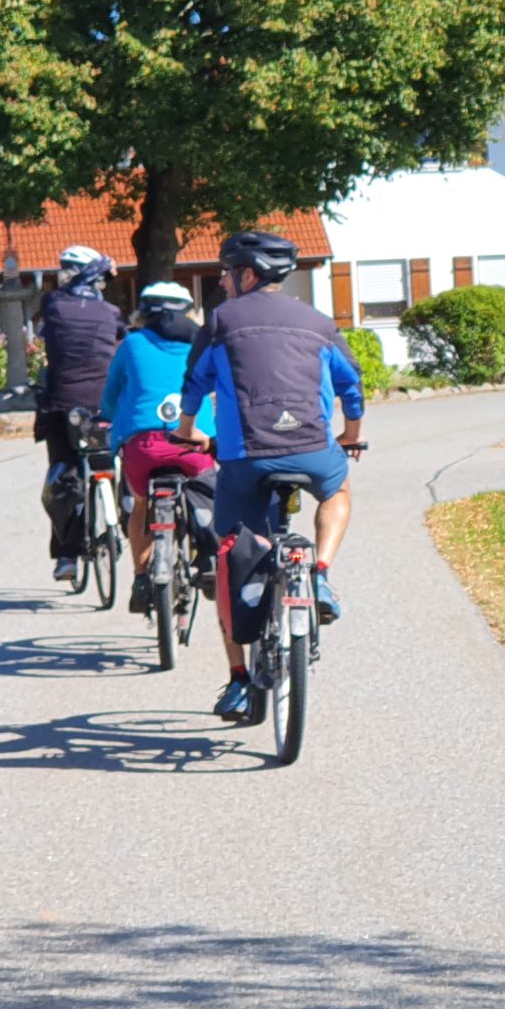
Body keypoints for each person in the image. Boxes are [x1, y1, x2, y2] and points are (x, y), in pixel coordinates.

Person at [177, 231, 365, 726]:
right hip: (313, 449)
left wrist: (186, 430)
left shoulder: (219, 320)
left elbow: (194, 381)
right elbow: (352, 381)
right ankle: (320, 573)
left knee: (229, 554)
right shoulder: (320, 322)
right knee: (337, 490)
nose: (220, 280)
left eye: (225, 271)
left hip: (246, 459)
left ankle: (240, 679)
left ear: (248, 274)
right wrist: (350, 434)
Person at [95, 280, 217, 612]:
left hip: (143, 446)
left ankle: (139, 577)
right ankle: (207, 559)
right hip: (192, 441)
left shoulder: (132, 344)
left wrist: (106, 416)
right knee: (208, 491)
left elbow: (110, 394)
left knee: (138, 505)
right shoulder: (201, 344)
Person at [35, 244, 125, 587]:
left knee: (65, 471)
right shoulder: (111, 313)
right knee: (110, 460)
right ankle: (119, 518)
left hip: (62, 405)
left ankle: (67, 556)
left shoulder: (54, 304)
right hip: (104, 404)